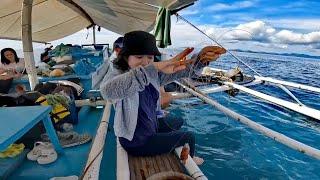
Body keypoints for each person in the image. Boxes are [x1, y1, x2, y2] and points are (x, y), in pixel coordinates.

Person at [100, 31, 226, 165]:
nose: (145, 62)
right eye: (139, 57)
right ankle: (191, 160)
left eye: (150, 57)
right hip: (136, 141)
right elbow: (107, 92)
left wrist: (200, 60)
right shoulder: (121, 77)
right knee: (188, 136)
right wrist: (152, 67)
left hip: (150, 126)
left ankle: (168, 143)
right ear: (126, 57)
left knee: (178, 121)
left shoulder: (153, 75)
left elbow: (180, 70)